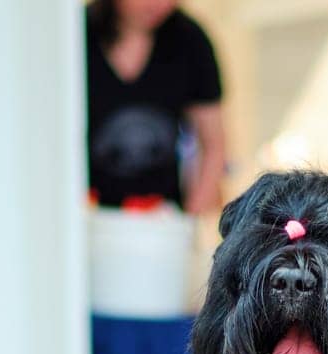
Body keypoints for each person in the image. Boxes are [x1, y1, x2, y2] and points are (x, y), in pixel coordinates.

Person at [85, 0, 226, 214]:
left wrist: (192, 215)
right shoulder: (76, 34)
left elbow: (213, 144)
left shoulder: (189, 40)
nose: (160, 5)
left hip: (161, 217)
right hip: (88, 216)